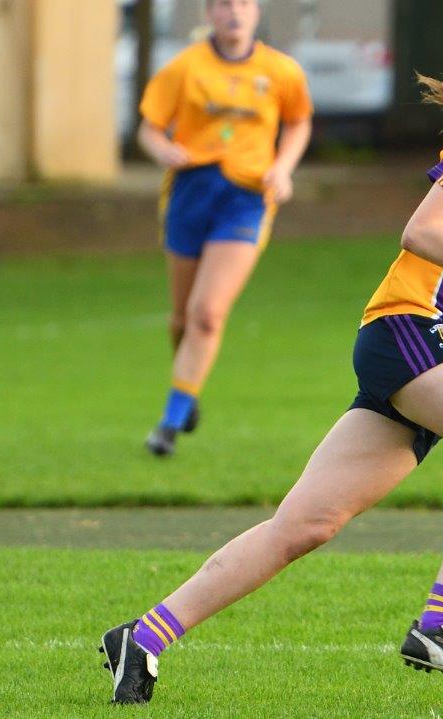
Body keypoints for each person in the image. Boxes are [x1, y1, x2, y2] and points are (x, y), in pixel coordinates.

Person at [99, 12, 443, 704]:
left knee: (305, 525)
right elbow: (421, 231)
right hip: (409, 323)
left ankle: (141, 637)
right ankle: (440, 623)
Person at [138, 0, 313, 456]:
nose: (233, 12)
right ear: (208, 13)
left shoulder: (281, 71)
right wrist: (162, 150)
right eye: (222, 4)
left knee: (208, 312)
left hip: (246, 199)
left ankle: (170, 422)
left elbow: (298, 121)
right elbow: (149, 129)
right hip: (190, 193)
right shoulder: (184, 68)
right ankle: (187, 388)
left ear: (255, 11)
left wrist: (283, 166)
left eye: (242, 3)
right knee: (181, 318)